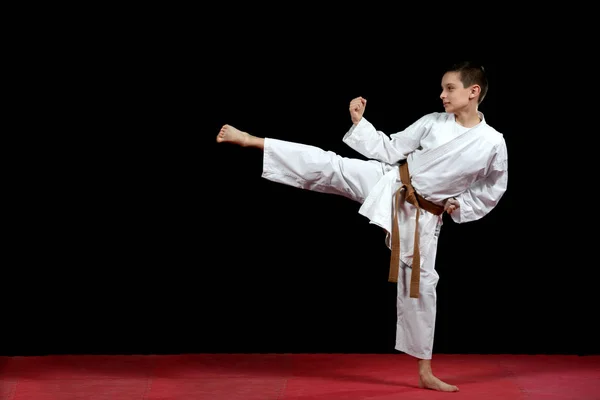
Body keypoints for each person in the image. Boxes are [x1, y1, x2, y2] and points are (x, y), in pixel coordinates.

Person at [215, 60, 508, 392]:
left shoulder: (492, 143)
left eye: (449, 88)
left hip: (423, 216)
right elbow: (391, 148)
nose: (442, 94)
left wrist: (461, 205)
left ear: (474, 92)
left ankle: (425, 371)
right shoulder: (433, 123)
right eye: (442, 88)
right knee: (331, 166)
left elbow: (494, 188)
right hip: (391, 183)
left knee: (422, 287)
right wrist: (360, 123)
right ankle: (254, 141)